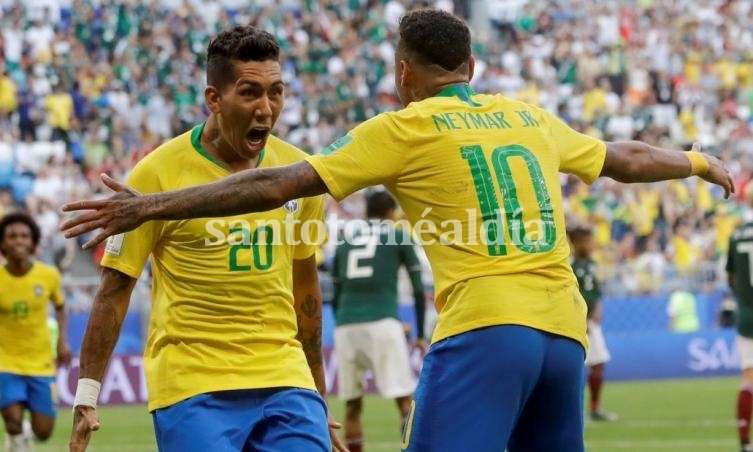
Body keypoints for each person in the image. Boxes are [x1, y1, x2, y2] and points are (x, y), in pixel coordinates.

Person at [60, 9, 734, 452]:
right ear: (470, 70)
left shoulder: (400, 128)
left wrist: (149, 206)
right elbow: (626, 158)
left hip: (484, 330)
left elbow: (275, 189)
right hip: (563, 335)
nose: (267, 109)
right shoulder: (527, 117)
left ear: (402, 74)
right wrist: (701, 161)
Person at [65, 27, 345, 452]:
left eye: (276, 93)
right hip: (193, 382)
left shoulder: (297, 173)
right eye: (250, 93)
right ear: (214, 98)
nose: (266, 109)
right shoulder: (155, 175)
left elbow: (304, 289)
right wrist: (86, 394)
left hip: (285, 378)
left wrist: (319, 397)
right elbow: (114, 291)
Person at [331, 190, 426, 452]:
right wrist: (419, 334)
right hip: (383, 321)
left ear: (366, 212)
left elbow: (336, 293)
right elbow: (418, 288)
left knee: (351, 406)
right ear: (391, 213)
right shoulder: (398, 236)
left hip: (345, 325)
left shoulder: (345, 240)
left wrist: (341, 320)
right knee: (404, 401)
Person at [0, 212, 71, 452]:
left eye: (24, 236)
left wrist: (62, 342)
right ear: (2, 243)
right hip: (5, 362)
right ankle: (17, 437)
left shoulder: (48, 275)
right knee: (12, 419)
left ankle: (25, 432)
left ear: (33, 242)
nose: (18, 241)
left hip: (41, 363)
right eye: (11, 236)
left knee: (44, 431)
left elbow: (61, 308)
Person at [569, 226, 617, 422]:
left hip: (592, 323)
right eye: (588, 241)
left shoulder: (590, 264)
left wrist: (598, 307)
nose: (591, 245)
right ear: (577, 243)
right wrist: (581, 318)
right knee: (574, 367)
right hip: (577, 323)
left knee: (598, 364)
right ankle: (574, 411)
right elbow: (571, 294)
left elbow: (595, 290)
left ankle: (594, 408)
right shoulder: (570, 266)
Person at [726, 184, 753, 452]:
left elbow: (730, 277)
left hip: (747, 314)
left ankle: (745, 441)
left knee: (748, 380)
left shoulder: (736, 234)